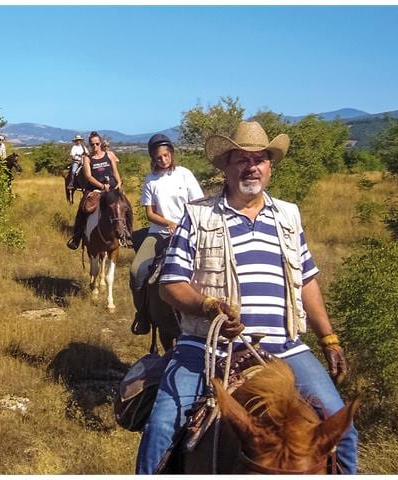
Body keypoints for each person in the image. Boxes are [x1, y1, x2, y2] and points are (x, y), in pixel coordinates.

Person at [135, 121, 358, 474]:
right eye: (240, 159)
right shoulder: (198, 215)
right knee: (163, 426)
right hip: (206, 348)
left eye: (259, 159)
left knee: (344, 435)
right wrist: (207, 306)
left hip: (286, 347)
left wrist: (328, 337)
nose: (250, 166)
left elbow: (308, 282)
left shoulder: (288, 215)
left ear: (270, 167)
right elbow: (170, 285)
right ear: (226, 166)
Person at [129, 133, 203, 324]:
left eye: (165, 155)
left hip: (188, 231)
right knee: (137, 270)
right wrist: (169, 223)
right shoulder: (151, 180)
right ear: (153, 158)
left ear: (171, 153)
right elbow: (150, 214)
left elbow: (198, 204)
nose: (163, 160)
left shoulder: (185, 174)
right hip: (158, 232)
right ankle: (143, 314)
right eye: (158, 157)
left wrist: (185, 225)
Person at [66, 131, 130, 250]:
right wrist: (101, 186)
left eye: (96, 144)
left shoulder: (109, 155)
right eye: (92, 144)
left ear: (101, 143)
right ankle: (77, 237)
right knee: (83, 208)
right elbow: (89, 176)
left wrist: (119, 182)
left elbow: (115, 171)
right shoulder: (87, 159)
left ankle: (128, 235)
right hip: (95, 188)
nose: (94, 146)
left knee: (126, 206)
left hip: (111, 187)